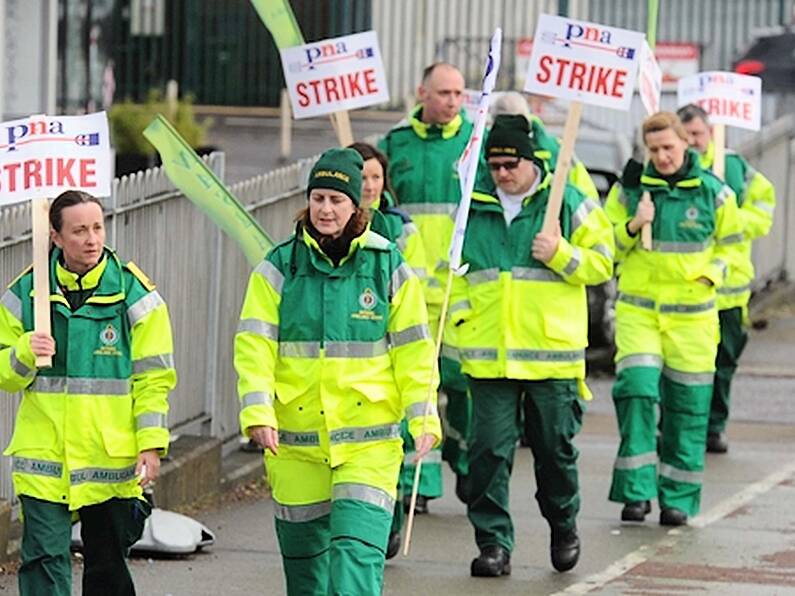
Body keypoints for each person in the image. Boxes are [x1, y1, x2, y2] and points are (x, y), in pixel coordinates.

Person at [233, 147, 441, 595]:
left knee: (356, 560)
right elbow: (254, 345)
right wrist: (257, 413)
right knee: (305, 574)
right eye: (319, 198)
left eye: (337, 200)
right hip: (296, 442)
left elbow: (415, 352)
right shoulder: (279, 266)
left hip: (368, 443)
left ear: (356, 206)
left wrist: (423, 417)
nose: (326, 209)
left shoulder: (387, 264)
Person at [449, 114, 614, 576]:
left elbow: (603, 262)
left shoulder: (567, 202)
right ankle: (493, 544)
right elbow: (453, 274)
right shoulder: (471, 206)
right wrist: (462, 319)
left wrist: (561, 253)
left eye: (511, 164)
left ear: (531, 160)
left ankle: (563, 523)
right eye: (495, 164)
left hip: (551, 359)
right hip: (489, 357)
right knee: (486, 455)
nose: (502, 173)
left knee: (554, 451)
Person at [0, 190, 176, 596]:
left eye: (97, 227)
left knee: (107, 567)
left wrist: (151, 444)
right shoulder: (25, 294)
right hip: (45, 460)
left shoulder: (136, 296)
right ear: (56, 237)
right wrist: (26, 351)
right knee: (43, 560)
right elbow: (5, 372)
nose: (92, 238)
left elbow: (154, 379)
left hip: (110, 462)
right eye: (79, 230)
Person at [604, 112, 742, 527]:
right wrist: (633, 225)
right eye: (655, 149)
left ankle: (678, 497)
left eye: (669, 148)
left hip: (693, 319)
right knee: (637, 392)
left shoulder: (714, 194)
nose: (663, 157)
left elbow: (733, 250)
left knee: (688, 408)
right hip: (639, 314)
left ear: (687, 144)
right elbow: (603, 246)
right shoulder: (630, 190)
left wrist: (712, 274)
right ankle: (636, 491)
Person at [378, 62, 472, 511]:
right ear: (422, 93)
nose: (453, 101)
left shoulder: (477, 141)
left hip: (463, 289)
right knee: (418, 390)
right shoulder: (395, 144)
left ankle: (463, 457)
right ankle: (421, 484)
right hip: (412, 289)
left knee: (462, 385)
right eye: (444, 92)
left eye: (459, 93)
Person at [677, 104, 776, 454]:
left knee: (723, 362)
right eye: (686, 136)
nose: (692, 142)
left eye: (698, 135)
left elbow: (764, 208)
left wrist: (732, 221)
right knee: (681, 367)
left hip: (729, 290)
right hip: (688, 289)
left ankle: (714, 426)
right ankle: (677, 427)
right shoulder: (672, 169)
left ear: (711, 132)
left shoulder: (733, 167)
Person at [348, 141, 431, 559]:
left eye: (375, 177)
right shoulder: (322, 232)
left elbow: (414, 284)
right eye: (360, 177)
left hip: (385, 357)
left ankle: (388, 520)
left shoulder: (399, 228)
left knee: (387, 445)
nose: (368, 185)